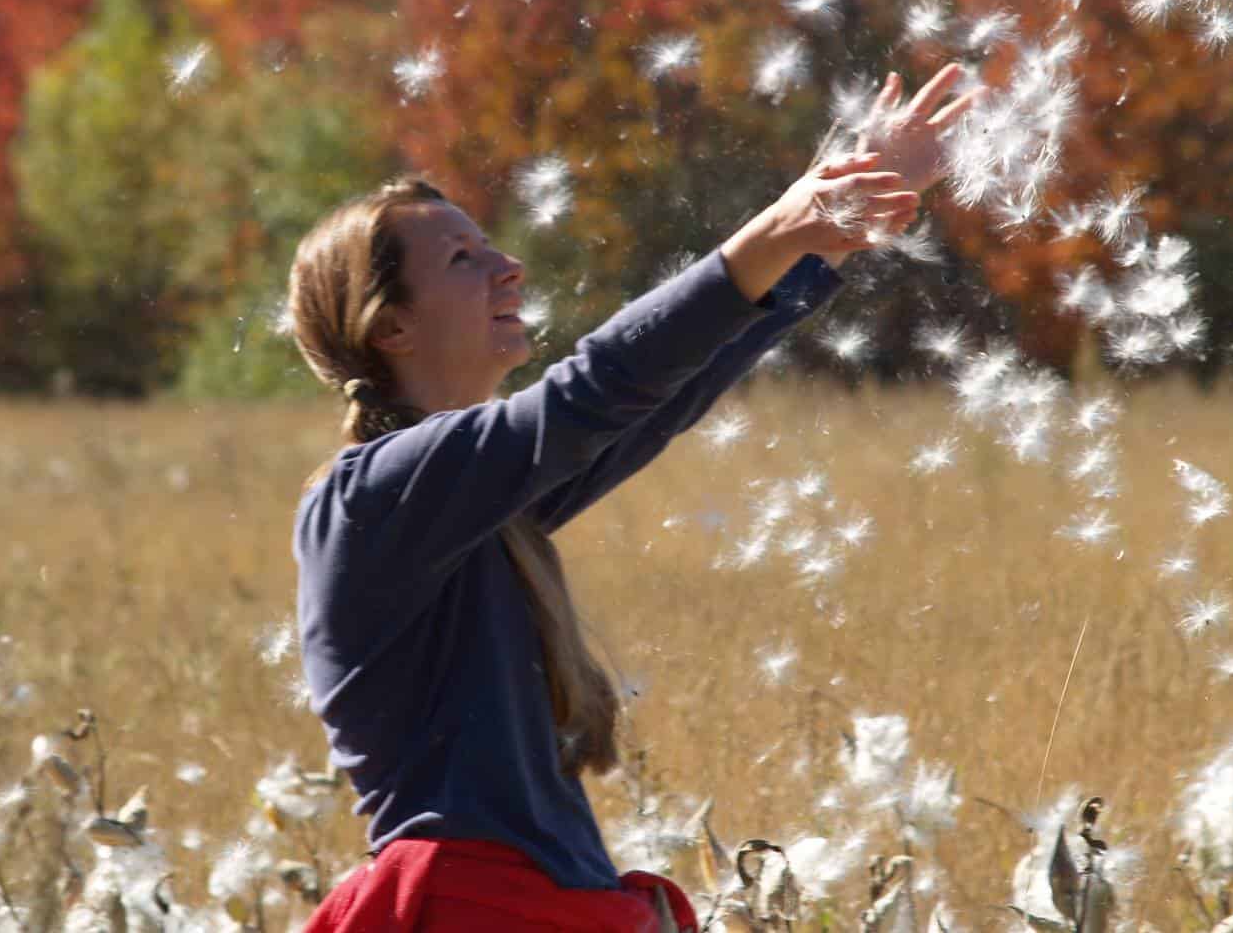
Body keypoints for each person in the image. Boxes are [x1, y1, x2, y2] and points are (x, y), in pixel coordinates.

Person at [285, 66, 974, 932]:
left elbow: (659, 396)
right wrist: (776, 232)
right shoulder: (368, 501)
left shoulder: (479, 510)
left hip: (537, 900)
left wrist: (826, 231)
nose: (508, 267)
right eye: (465, 259)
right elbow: (595, 392)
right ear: (391, 327)